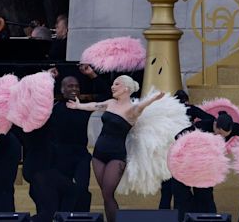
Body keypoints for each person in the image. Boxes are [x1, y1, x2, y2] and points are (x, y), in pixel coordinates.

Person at [66, 75, 165, 222]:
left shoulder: (132, 110)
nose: (112, 87)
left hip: (116, 157)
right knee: (105, 194)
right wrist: (79, 106)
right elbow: (96, 105)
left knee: (108, 193)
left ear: (126, 88)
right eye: (112, 84)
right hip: (98, 155)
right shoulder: (111, 102)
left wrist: (154, 98)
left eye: (116, 84)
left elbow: (142, 106)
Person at [22, 66, 110, 221]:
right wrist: (47, 78)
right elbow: (33, 98)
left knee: (82, 189)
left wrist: (92, 75)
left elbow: (107, 96)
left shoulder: (83, 106)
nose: (74, 89)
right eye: (70, 86)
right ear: (62, 90)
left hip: (81, 155)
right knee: (62, 191)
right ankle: (61, 218)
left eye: (76, 86)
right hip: (58, 156)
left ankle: (80, 218)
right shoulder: (53, 107)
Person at [172, 111, 239, 220]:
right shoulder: (201, 126)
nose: (222, 137)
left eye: (225, 136)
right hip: (187, 165)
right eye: (220, 134)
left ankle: (209, 219)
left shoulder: (232, 128)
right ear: (215, 126)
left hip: (205, 169)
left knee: (205, 196)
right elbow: (178, 137)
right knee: (182, 197)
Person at [159, 90, 215, 209]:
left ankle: (164, 215)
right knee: (186, 185)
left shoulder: (168, 111)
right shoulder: (191, 109)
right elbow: (210, 119)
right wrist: (195, 126)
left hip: (168, 148)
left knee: (166, 189)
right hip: (185, 150)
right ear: (187, 100)